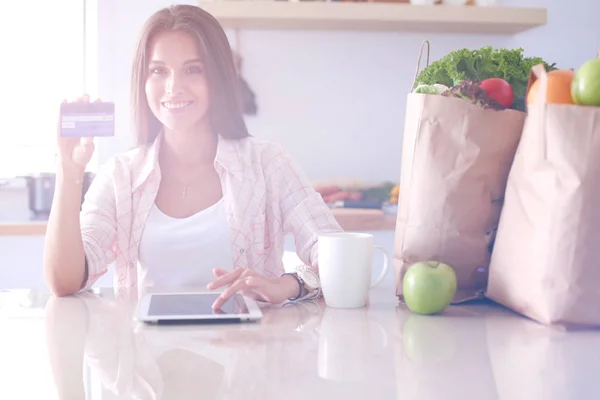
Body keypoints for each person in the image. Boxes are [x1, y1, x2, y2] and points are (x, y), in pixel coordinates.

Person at [43, 4, 342, 309]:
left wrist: (289, 284)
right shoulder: (121, 175)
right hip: (145, 354)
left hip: (249, 351)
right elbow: (65, 281)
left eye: (193, 69)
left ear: (219, 77)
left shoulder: (268, 164)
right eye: (158, 71)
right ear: (143, 81)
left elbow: (339, 257)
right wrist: (68, 170)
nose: (174, 87)